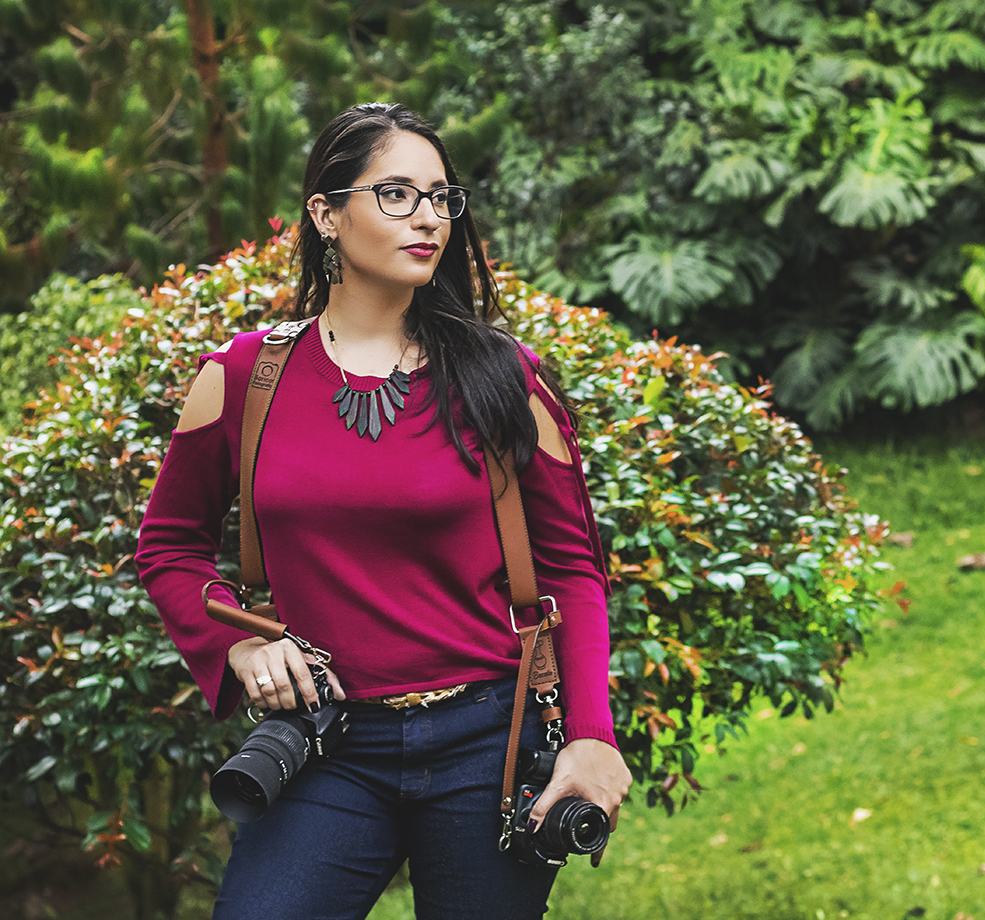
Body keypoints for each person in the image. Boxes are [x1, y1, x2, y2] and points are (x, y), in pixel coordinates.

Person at [135, 102, 631, 919]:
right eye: (396, 194)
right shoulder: (241, 377)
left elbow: (573, 567)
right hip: (325, 745)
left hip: (489, 744)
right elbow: (170, 546)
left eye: (441, 197)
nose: (428, 217)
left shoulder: (505, 376)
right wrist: (231, 644)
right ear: (326, 215)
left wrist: (591, 736)